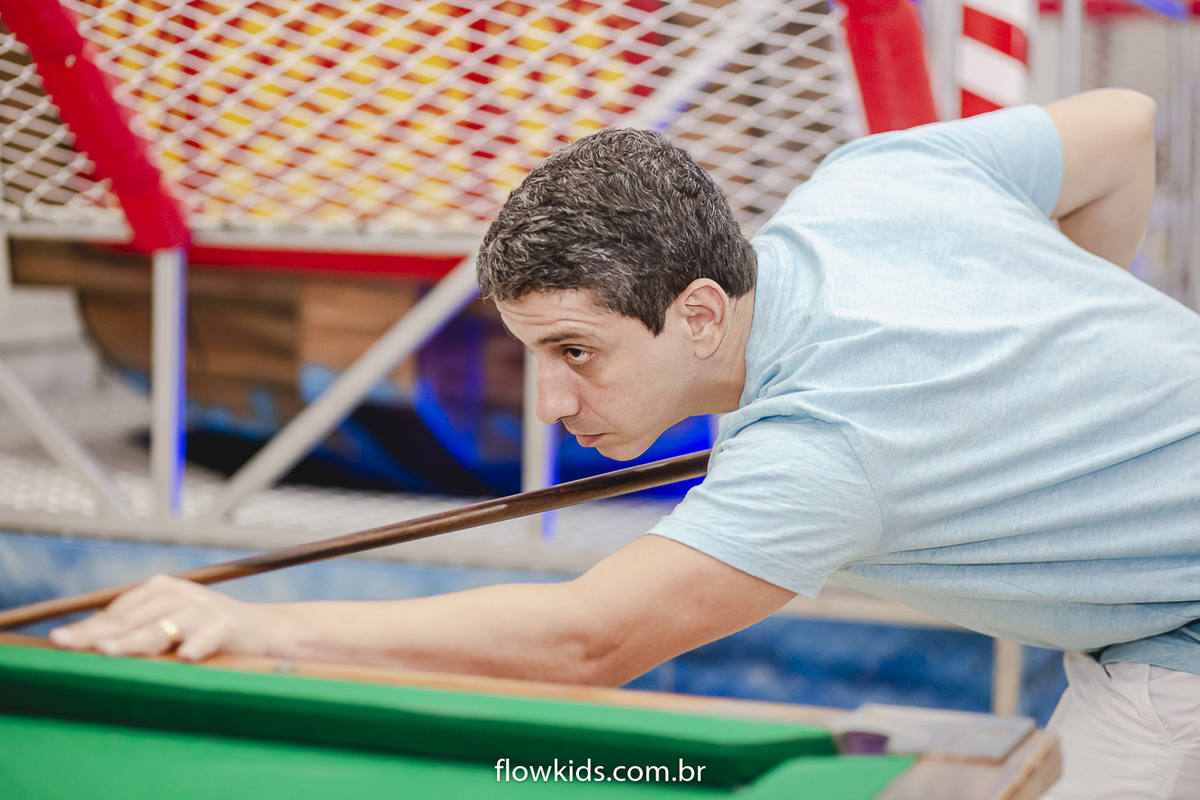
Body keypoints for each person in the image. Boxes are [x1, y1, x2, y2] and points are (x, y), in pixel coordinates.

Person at [51, 89, 1199, 799]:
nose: (550, 402)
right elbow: (1120, 124)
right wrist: (1060, 377)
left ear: (699, 312)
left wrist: (258, 628)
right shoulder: (878, 181)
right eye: (532, 354)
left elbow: (585, 638)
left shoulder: (824, 450)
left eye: (577, 352)